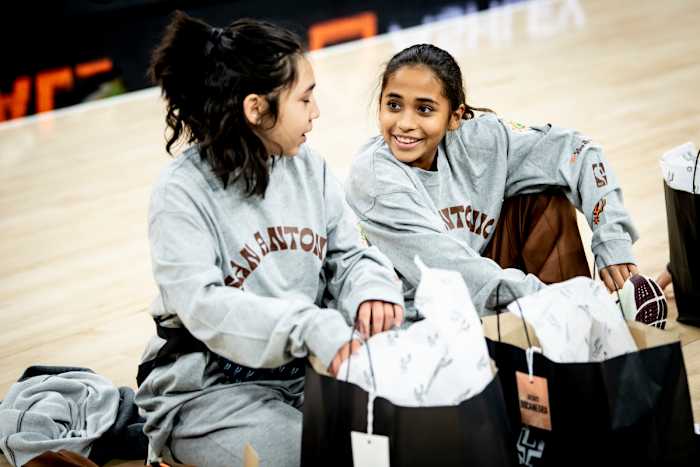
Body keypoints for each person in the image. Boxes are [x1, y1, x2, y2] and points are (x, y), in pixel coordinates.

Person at [135, 11, 403, 467]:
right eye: (305, 98)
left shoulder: (308, 166)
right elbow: (206, 309)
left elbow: (351, 254)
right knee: (326, 456)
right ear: (256, 108)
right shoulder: (180, 194)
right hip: (211, 393)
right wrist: (307, 326)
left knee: (408, 432)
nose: (316, 112)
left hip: (303, 373)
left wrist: (371, 292)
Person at [346, 43, 644, 318]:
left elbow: (579, 152)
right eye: (394, 106)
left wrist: (612, 240)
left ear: (455, 117)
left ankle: (576, 334)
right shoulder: (374, 178)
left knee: (544, 199)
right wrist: (563, 302)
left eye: (424, 109)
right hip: (421, 313)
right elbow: (453, 274)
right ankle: (580, 321)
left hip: (487, 284)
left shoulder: (482, 138)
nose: (406, 124)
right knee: (567, 311)